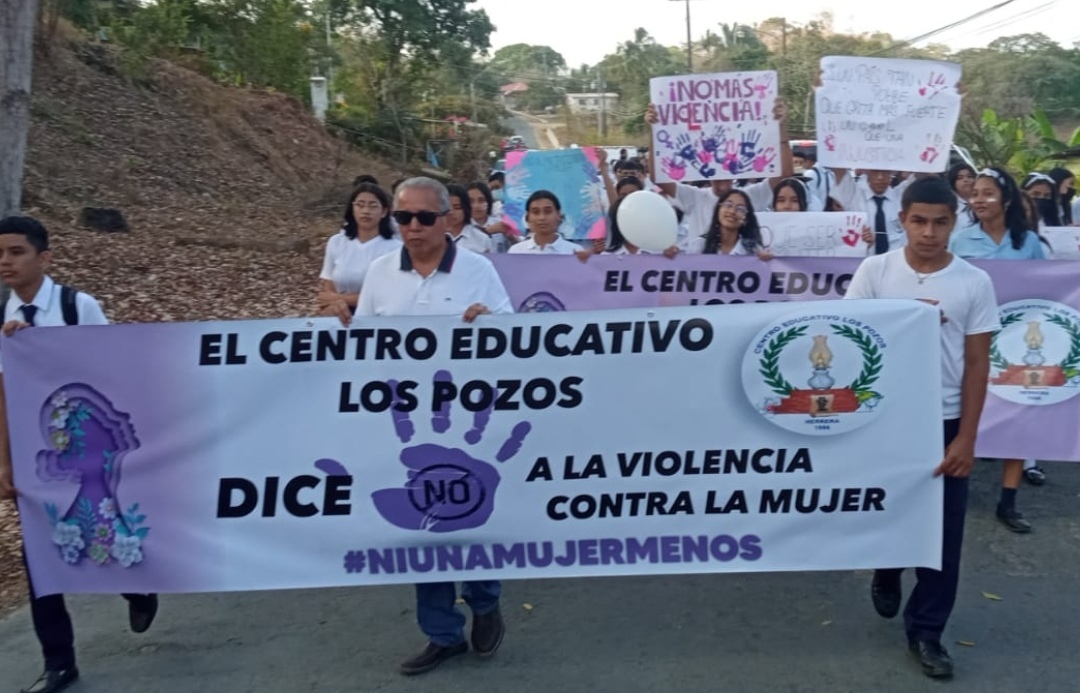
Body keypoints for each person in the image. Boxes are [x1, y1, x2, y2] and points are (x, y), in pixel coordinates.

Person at [326, 178, 509, 674]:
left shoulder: (479, 269)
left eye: (423, 218)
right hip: (404, 426)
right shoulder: (382, 273)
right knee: (422, 526)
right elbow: (365, 346)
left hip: (470, 422)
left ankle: (485, 601)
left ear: (448, 219)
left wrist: (488, 321)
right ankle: (442, 633)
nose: (412, 227)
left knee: (472, 519)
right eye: (402, 218)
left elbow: (516, 339)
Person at [845, 177, 999, 680]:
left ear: (955, 223)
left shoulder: (973, 282)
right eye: (919, 221)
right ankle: (887, 568)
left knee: (945, 533)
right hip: (885, 418)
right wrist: (903, 319)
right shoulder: (875, 270)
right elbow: (850, 340)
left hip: (944, 418)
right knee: (889, 510)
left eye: (940, 222)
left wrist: (967, 437)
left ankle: (927, 631)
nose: (929, 232)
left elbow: (978, 364)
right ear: (903, 219)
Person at [0, 216, 159, 693]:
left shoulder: (76, 306)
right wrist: (4, 462)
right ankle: (59, 662)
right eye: (0, 254)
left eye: (16, 252)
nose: (6, 261)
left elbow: (108, 370)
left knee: (94, 529)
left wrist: (41, 349)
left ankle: (138, 586)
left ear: (43, 258)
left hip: (85, 444)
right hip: (32, 449)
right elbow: (3, 392)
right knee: (39, 557)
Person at [949, 166, 1044, 532]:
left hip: (1017, 342)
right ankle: (954, 487)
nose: (979, 199)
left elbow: (1046, 291)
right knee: (965, 412)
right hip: (969, 341)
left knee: (1016, 414)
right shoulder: (961, 240)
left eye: (987, 193)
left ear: (1005, 199)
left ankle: (1009, 500)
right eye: (974, 193)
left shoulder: (1029, 242)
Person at [644, 99, 794, 237]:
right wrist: (654, 130)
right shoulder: (695, 197)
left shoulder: (749, 196)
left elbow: (785, 175)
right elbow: (658, 178)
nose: (722, 185)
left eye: (725, 176)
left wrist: (780, 127)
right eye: (716, 177)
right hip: (703, 266)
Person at [317, 183, 402, 316]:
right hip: (338, 317)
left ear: (384, 211)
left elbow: (388, 296)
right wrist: (333, 304)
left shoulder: (395, 248)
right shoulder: (336, 242)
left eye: (373, 206)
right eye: (360, 205)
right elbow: (327, 290)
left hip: (378, 319)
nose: (366, 211)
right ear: (352, 208)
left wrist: (342, 299)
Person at [678, 189, 773, 259]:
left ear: (746, 218)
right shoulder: (699, 244)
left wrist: (766, 265)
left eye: (740, 209)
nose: (732, 211)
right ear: (718, 210)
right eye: (728, 205)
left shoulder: (753, 249)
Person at [508, 191, 594, 259]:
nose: (542, 217)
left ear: (558, 215)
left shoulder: (575, 252)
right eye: (535, 212)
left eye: (548, 211)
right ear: (528, 217)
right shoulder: (516, 251)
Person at [445, 184, 493, 254]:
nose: (451, 212)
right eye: (447, 207)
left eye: (457, 207)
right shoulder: (433, 235)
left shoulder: (482, 239)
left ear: (466, 208)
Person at [466, 181, 514, 252]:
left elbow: (519, 250)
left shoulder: (500, 223)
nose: (476, 206)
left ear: (489, 201)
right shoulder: (463, 228)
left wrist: (509, 234)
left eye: (481, 200)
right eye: (471, 201)